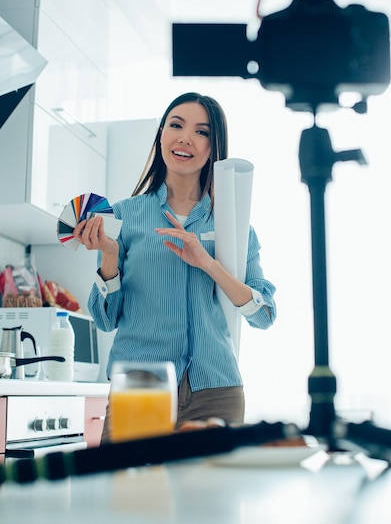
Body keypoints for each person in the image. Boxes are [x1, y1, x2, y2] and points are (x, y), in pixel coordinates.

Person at [73, 92, 277, 441]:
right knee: (131, 495)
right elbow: (105, 320)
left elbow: (264, 314)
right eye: (176, 125)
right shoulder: (122, 215)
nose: (185, 137)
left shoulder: (234, 225)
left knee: (210, 497)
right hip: (140, 387)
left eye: (201, 132)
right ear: (161, 135)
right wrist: (109, 256)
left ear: (214, 147)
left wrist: (208, 264)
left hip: (217, 390)